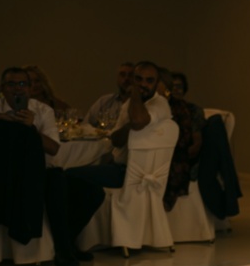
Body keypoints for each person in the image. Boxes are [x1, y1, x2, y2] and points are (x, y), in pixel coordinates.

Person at [0, 67, 104, 266]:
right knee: (57, 184)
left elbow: (54, 148)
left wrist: (31, 128)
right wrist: (1, 117)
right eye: (11, 84)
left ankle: (68, 241)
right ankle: (63, 250)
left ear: (29, 88)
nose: (17, 89)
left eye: (22, 84)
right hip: (1, 177)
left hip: (38, 173)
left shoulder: (42, 111)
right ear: (2, 88)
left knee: (91, 192)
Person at [66, 60, 172, 191]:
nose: (143, 84)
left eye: (149, 80)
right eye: (138, 79)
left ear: (157, 83)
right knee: (62, 173)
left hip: (134, 174)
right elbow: (116, 140)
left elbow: (138, 121)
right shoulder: (129, 104)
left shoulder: (160, 104)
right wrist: (130, 125)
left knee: (69, 175)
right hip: (117, 165)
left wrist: (135, 93)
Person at [162, 71, 206, 211]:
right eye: (173, 86)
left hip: (185, 155)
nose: (176, 90)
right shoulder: (163, 109)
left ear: (185, 89)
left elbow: (196, 143)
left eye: (179, 86)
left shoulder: (193, 110)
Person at [85, 62, 134, 130]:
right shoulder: (104, 101)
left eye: (130, 75)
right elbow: (86, 124)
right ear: (117, 78)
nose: (126, 78)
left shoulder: (141, 104)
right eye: (122, 75)